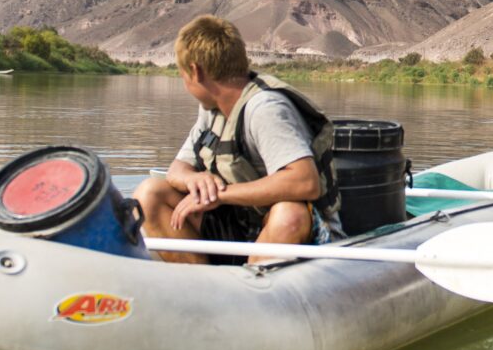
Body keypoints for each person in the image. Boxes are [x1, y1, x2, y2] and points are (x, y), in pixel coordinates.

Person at [134, 15, 343, 264]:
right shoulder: (211, 109)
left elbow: (305, 183)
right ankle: (204, 282)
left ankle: (248, 283)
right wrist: (194, 179)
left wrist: (220, 195)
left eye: (182, 74)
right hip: (242, 223)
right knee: (150, 193)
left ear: (196, 72)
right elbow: (177, 169)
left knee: (289, 214)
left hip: (297, 232)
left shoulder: (264, 109)